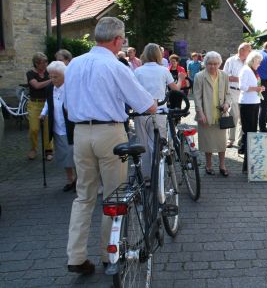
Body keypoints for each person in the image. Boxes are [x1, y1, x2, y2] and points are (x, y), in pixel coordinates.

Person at [64, 17, 156, 275]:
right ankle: (109, 253)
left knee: (84, 196)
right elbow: (145, 104)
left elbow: (68, 105)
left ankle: (76, 255)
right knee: (114, 195)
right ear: (117, 40)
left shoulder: (74, 65)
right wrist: (153, 102)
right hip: (109, 132)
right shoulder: (115, 66)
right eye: (122, 40)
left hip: (81, 132)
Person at [135, 43, 183, 180]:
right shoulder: (163, 71)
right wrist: (180, 80)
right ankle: (158, 175)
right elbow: (175, 89)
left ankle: (146, 176)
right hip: (159, 111)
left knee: (142, 144)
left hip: (141, 111)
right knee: (157, 144)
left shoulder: (138, 71)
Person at [193, 51, 231, 177]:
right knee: (207, 142)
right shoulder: (199, 76)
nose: (213, 66)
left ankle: (222, 165)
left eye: (215, 64)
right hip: (206, 114)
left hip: (220, 115)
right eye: (210, 64)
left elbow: (228, 94)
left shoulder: (224, 75)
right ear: (205, 64)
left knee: (221, 142)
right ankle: (208, 165)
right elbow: (197, 97)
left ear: (219, 64)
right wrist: (200, 113)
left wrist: (227, 104)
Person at [39, 61, 76, 192]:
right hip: (57, 126)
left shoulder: (71, 87)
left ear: (64, 75)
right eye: (50, 76)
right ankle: (70, 179)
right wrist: (43, 114)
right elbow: (48, 103)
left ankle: (79, 180)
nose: (52, 79)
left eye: (55, 76)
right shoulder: (50, 88)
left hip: (70, 126)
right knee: (63, 155)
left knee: (74, 154)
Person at [238, 50, 265, 173]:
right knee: (249, 133)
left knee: (253, 133)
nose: (259, 64)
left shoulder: (253, 71)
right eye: (258, 62)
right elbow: (242, 87)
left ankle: (248, 164)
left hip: (254, 102)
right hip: (247, 104)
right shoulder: (245, 70)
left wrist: (259, 89)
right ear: (253, 60)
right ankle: (246, 165)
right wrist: (257, 88)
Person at [222, 42, 251, 149]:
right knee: (234, 115)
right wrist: (239, 79)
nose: (250, 52)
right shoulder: (231, 61)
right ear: (242, 50)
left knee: (243, 117)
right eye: (249, 50)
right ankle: (230, 140)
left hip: (246, 92)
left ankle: (241, 141)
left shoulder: (249, 61)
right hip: (233, 91)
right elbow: (224, 76)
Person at [26, 52, 53, 160]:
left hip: (47, 103)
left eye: (46, 62)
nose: (45, 64)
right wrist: (51, 80)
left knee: (48, 128)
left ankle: (48, 151)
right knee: (34, 128)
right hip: (34, 104)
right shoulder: (30, 73)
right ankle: (33, 148)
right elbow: (36, 85)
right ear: (36, 63)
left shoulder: (49, 71)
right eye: (43, 62)